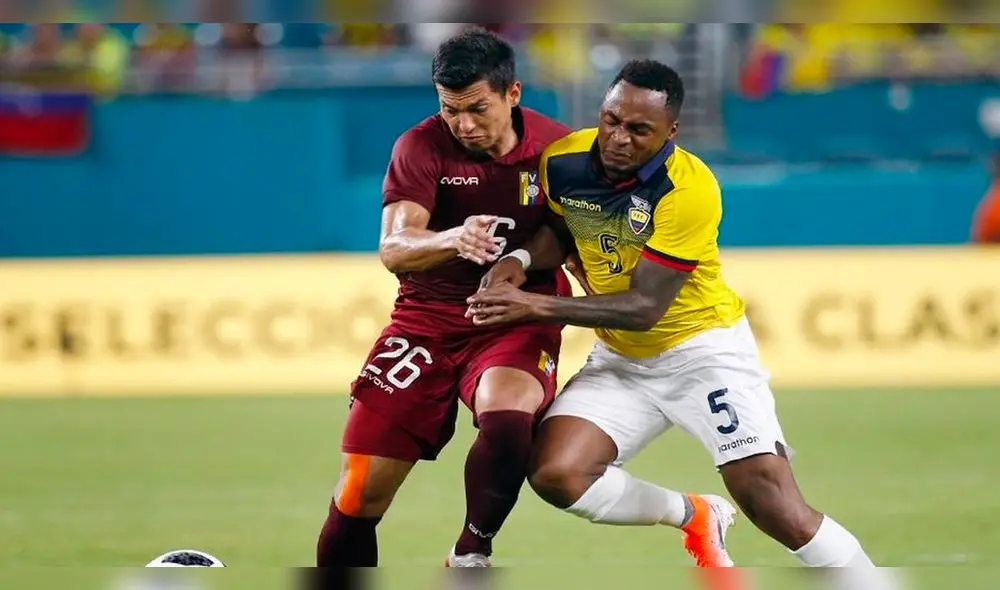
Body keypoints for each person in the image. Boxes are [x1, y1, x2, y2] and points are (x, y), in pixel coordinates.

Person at [469, 60, 896, 587]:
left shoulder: (687, 189)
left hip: (702, 353)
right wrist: (519, 260)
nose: (618, 138)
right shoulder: (564, 160)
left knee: (771, 502)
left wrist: (534, 306)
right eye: (611, 120)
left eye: (638, 129)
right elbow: (560, 230)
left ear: (670, 132)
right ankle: (696, 515)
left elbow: (644, 307)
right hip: (624, 360)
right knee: (558, 474)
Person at [315, 27, 574, 568]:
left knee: (508, 414)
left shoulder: (559, 149)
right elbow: (394, 247)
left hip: (513, 313)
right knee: (359, 491)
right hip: (425, 321)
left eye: (477, 109)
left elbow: (567, 238)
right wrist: (452, 238)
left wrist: (519, 262)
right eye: (450, 109)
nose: (464, 125)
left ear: (512, 93)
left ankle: (470, 552)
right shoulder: (420, 146)